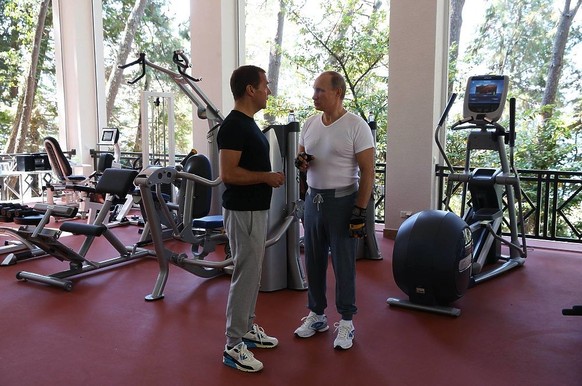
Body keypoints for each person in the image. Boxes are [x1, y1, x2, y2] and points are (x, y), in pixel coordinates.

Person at [294, 71, 375, 350]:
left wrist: (359, 210)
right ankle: (317, 315)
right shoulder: (309, 124)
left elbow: (368, 172)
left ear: (337, 93)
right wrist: (301, 163)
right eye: (314, 90)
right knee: (313, 261)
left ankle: (347, 322)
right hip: (314, 201)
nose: (314, 96)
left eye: (320, 91)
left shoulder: (356, 126)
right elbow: (303, 159)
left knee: (343, 264)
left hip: (343, 202)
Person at [217, 65, 285, 372]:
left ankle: (246, 329)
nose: (268, 91)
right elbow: (228, 174)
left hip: (255, 209)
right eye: (265, 85)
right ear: (250, 90)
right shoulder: (233, 126)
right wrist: (266, 177)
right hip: (242, 210)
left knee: (252, 271)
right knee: (245, 273)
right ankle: (233, 345)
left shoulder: (249, 124)